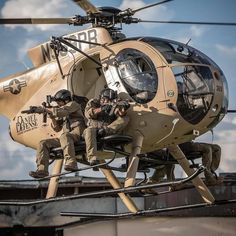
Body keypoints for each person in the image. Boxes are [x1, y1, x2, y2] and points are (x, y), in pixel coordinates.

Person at [29, 89, 86, 178]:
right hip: (66, 138)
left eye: (59, 102)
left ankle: (71, 163)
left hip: (78, 135)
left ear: (66, 100)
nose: (58, 104)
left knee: (65, 136)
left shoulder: (73, 104)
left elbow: (62, 111)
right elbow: (57, 128)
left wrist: (46, 110)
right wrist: (52, 117)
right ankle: (42, 170)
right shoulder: (61, 111)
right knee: (43, 143)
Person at [83, 88, 130, 165]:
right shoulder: (93, 102)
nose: (106, 102)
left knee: (126, 118)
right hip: (93, 130)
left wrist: (123, 109)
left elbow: (120, 114)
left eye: (109, 100)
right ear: (101, 98)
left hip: (106, 130)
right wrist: (101, 109)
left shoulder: (113, 105)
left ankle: (106, 131)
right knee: (89, 130)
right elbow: (88, 114)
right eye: (104, 99)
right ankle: (92, 158)